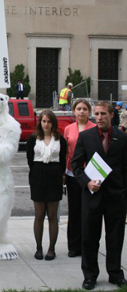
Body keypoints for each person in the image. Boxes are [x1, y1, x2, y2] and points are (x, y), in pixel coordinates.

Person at [72, 101, 127, 290]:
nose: (99, 117)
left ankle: (115, 273)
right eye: (97, 113)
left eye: (103, 113)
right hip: (92, 197)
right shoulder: (86, 137)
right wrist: (87, 182)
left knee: (115, 237)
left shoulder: (122, 137)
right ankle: (90, 275)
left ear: (112, 115)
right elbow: (76, 165)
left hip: (115, 197)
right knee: (89, 238)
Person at [26, 109, 67, 261]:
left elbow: (62, 160)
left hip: (54, 176)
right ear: (40, 122)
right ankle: (39, 247)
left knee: (52, 215)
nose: (46, 124)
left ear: (53, 123)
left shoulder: (59, 139)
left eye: (49, 121)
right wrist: (37, 172)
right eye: (44, 121)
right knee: (39, 214)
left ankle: (51, 248)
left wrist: (60, 174)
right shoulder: (33, 138)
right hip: (38, 175)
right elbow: (30, 159)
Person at [63, 99, 96, 258]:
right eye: (79, 109)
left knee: (88, 212)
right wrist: (63, 172)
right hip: (72, 174)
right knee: (74, 211)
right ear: (74, 111)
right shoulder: (68, 129)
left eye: (85, 109)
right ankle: (74, 246)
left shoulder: (95, 129)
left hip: (90, 176)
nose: (82, 112)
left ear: (89, 112)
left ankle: (87, 246)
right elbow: (66, 152)